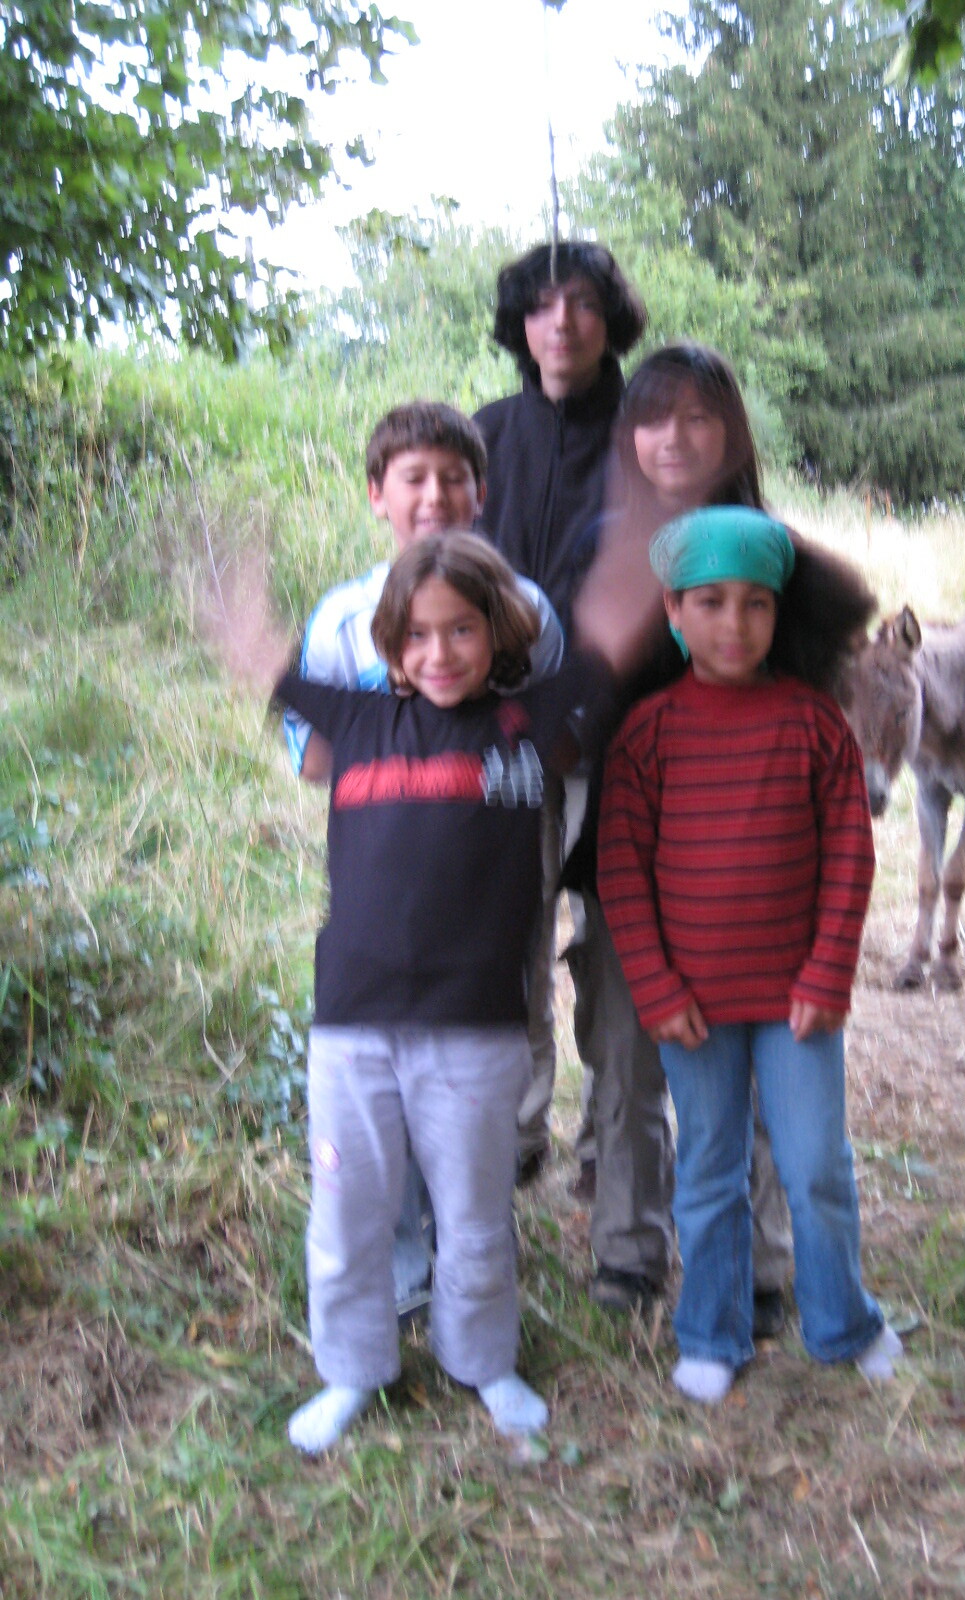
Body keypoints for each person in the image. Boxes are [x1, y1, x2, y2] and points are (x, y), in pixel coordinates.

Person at [213, 532, 603, 1453]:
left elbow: (609, 647)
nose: (439, 652)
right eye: (417, 635)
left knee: (475, 1215)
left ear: (499, 632)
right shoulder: (353, 721)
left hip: (476, 1033)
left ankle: (483, 1360)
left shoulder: (528, 725)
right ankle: (351, 1369)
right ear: (388, 643)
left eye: (462, 629)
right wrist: (239, 614)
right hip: (352, 1028)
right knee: (349, 1212)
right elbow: (265, 664)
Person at [569, 344, 876, 1324]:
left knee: (771, 1086)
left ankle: (769, 1264)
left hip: (761, 874)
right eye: (654, 418)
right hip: (628, 856)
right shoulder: (594, 549)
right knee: (627, 1054)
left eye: (700, 416)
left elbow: (833, 684)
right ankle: (630, 1251)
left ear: (734, 434)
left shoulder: (779, 558)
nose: (676, 438)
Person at [597, 506, 902, 1404]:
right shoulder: (648, 733)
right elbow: (622, 869)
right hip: (691, 1008)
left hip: (797, 1002)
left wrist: (829, 973)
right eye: (711, 601)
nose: (735, 623)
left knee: (815, 1169)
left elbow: (850, 856)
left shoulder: (814, 724)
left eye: (756, 604)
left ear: (779, 613)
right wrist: (654, 988)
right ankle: (711, 1331)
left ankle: (842, 1322)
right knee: (708, 1170)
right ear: (674, 611)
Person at [283, 402, 564, 1320]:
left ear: (482, 492)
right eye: (413, 479)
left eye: (453, 478)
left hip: (494, 878)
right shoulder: (341, 618)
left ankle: (471, 1250)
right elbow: (314, 756)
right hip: (385, 882)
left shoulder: (528, 609)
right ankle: (400, 1267)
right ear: (378, 494)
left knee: (498, 1036)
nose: (434, 497)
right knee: (377, 1063)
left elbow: (542, 733)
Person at [473, 240, 647, 1188]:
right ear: (520, 326)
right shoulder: (487, 435)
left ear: (609, 317)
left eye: (581, 301)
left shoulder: (652, 428)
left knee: (618, 955)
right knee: (508, 943)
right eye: (541, 305)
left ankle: (615, 1156)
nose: (562, 323)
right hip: (506, 735)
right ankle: (514, 1141)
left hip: (625, 738)